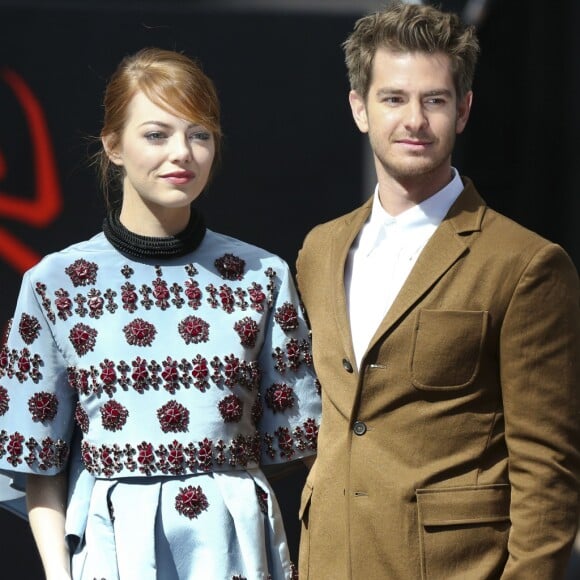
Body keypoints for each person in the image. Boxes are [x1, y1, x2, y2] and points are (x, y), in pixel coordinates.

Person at [0, 47, 320, 580]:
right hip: (112, 552)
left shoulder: (263, 275)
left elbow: (304, 449)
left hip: (236, 551)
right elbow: (38, 464)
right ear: (113, 145)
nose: (182, 153)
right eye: (156, 134)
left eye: (200, 134)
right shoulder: (53, 282)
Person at [295, 2, 580, 579]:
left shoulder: (526, 264)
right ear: (359, 108)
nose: (415, 120)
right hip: (328, 559)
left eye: (435, 100)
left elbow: (546, 472)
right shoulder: (318, 252)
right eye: (394, 98)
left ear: (465, 109)